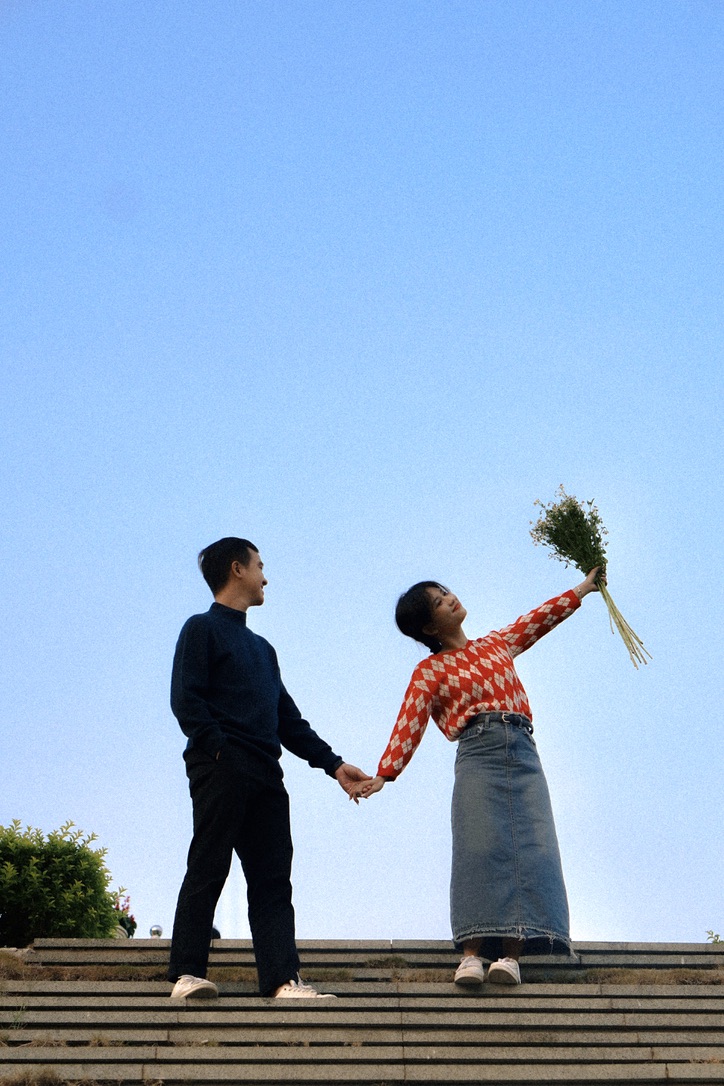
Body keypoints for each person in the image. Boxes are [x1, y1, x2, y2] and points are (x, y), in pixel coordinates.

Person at [353, 568, 600, 987]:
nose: (450, 598)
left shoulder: (495, 644)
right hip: (478, 752)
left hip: (522, 749)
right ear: (429, 627)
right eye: (438, 601)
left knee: (531, 845)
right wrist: (384, 774)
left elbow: (537, 620)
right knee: (479, 847)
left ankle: (511, 957)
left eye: (446, 592)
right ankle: (471, 956)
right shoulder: (430, 671)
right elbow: (409, 722)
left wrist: (582, 589)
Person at [168, 537, 370, 1000]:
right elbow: (185, 699)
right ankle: (187, 974)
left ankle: (283, 980)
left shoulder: (263, 649)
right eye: (260, 565)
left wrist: (334, 764)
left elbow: (287, 720)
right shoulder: (201, 629)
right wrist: (219, 749)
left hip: (266, 773)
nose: (266, 577)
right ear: (237, 569)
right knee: (209, 864)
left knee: (273, 879)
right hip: (221, 766)